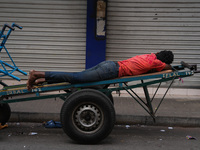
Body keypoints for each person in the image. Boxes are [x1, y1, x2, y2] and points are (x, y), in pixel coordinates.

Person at [27, 50, 174, 90]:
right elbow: (167, 67)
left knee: (78, 76)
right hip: (110, 71)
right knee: (76, 78)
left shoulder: (148, 56)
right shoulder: (156, 63)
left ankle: (43, 79)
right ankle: (37, 74)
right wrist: (172, 66)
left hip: (109, 65)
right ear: (163, 60)